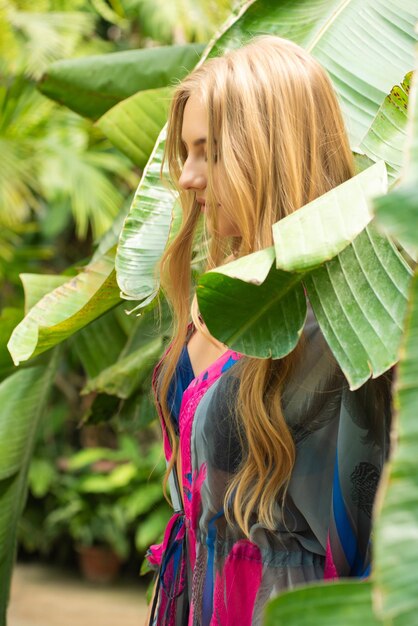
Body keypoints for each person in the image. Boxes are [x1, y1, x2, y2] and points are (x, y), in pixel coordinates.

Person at [145, 35, 391, 626]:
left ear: (269, 152)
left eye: (210, 152)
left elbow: (364, 523)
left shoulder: (344, 321)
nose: (189, 178)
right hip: (197, 592)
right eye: (187, 153)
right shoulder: (232, 295)